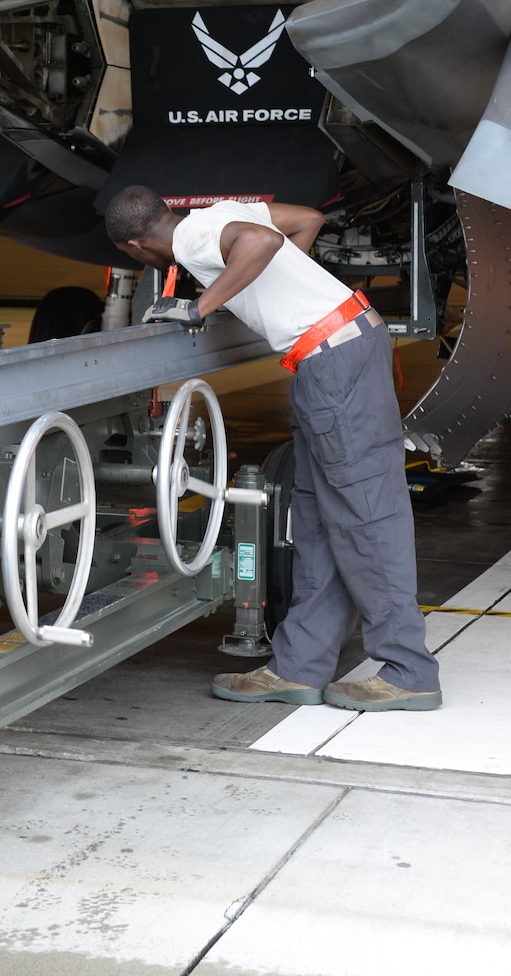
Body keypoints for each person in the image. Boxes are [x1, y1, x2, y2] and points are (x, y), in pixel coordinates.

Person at [106, 186, 441, 714]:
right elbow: (308, 217)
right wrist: (278, 296)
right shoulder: (216, 216)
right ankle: (297, 668)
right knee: (314, 518)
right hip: (330, 356)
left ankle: (409, 670)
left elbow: (262, 242)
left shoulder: (191, 241)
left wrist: (200, 306)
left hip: (335, 362)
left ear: (134, 246)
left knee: (366, 515)